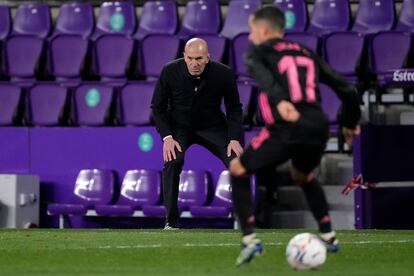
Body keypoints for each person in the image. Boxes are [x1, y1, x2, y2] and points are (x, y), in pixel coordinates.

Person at [229, 6, 361, 266]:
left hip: (288, 125)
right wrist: (349, 121)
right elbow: (347, 88)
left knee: (238, 169)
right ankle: (329, 236)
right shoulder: (306, 52)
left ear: (264, 30)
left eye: (252, 30)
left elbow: (258, 70)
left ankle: (249, 240)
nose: (250, 36)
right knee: (302, 174)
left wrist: (279, 100)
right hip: (319, 125)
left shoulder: (259, 51)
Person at [151, 38, 244, 230]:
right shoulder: (169, 71)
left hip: (212, 127)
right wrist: (167, 137)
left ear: (208, 57)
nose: (195, 63)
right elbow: (157, 108)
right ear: (184, 57)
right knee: (173, 161)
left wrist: (234, 138)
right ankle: (171, 221)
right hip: (179, 128)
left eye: (199, 59)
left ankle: (243, 217)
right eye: (191, 58)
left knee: (236, 161)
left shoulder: (223, 73)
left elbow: (234, 108)